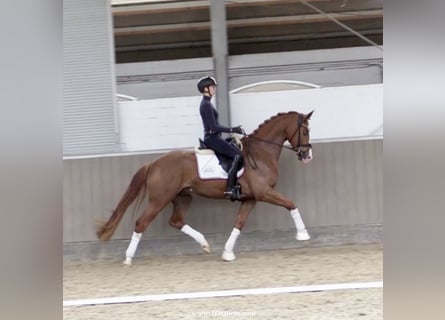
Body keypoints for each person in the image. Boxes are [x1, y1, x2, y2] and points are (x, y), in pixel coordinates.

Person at [197, 76, 244, 201]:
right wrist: (232, 130)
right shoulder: (206, 105)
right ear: (205, 89)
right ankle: (230, 188)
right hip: (212, 138)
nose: (215, 89)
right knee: (237, 155)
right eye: (212, 87)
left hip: (214, 137)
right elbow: (213, 126)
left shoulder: (207, 103)